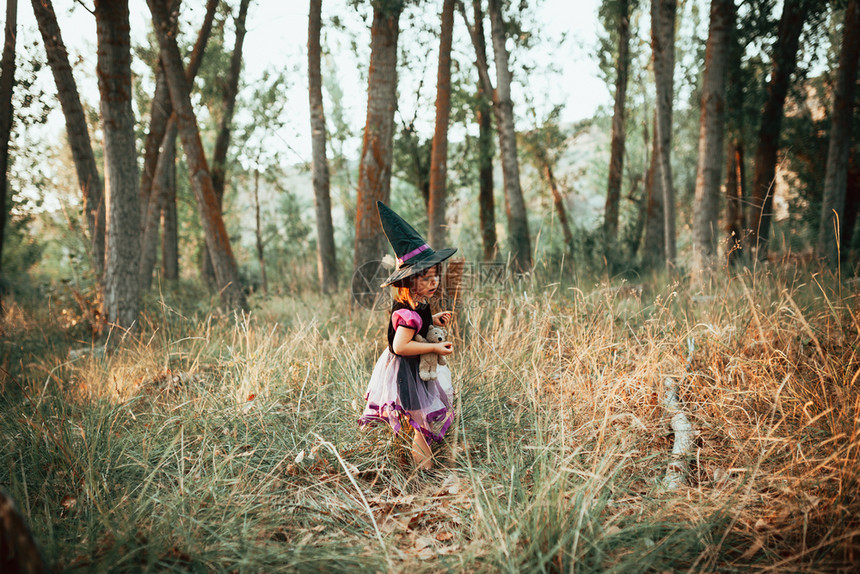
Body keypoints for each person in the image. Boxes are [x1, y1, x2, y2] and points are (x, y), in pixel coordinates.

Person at [358, 201, 456, 470]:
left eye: (435, 276)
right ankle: (422, 472)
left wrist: (433, 320)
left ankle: (419, 463)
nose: (433, 282)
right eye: (425, 278)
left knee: (421, 420)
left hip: (415, 371)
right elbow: (401, 346)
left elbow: (416, 328)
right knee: (421, 423)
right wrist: (435, 349)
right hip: (406, 373)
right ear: (409, 281)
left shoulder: (418, 306)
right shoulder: (408, 312)